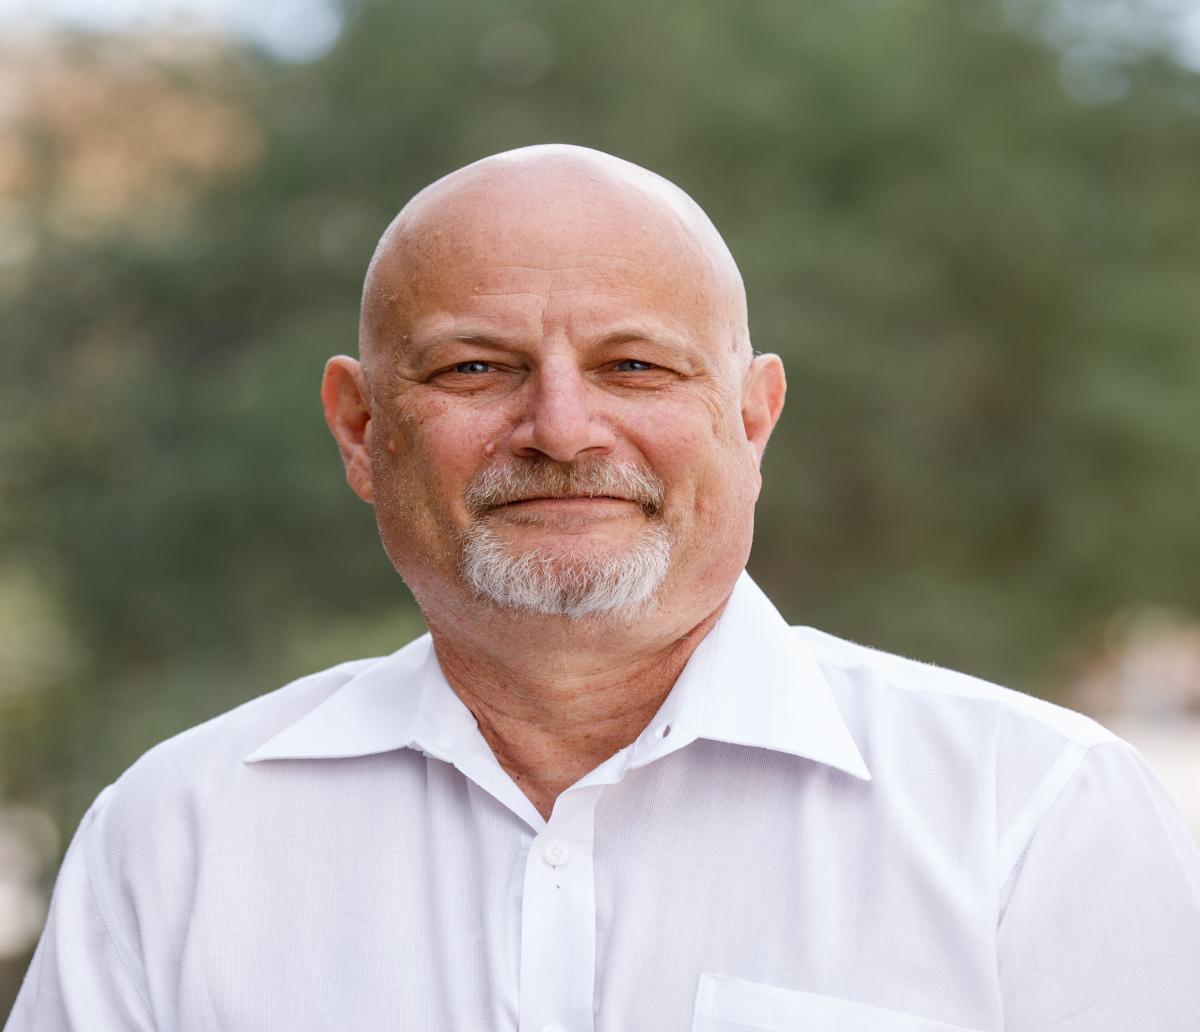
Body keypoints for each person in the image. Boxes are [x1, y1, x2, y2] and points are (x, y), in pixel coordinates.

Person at [7, 145, 1200, 1032]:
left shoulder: (1032, 817)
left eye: (635, 365)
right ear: (362, 430)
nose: (564, 429)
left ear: (751, 416)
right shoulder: (174, 841)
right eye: (478, 367)